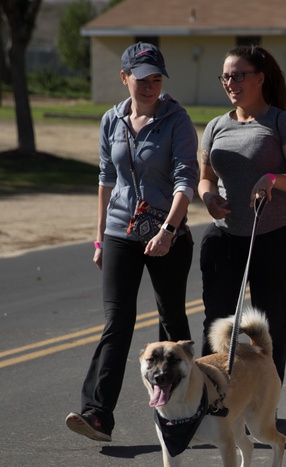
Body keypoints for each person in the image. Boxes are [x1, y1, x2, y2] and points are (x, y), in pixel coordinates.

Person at [65, 42, 199, 442]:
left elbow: (185, 179)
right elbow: (107, 179)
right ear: (125, 78)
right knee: (117, 322)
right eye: (141, 79)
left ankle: (186, 410)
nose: (149, 86)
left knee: (171, 323)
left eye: (156, 78)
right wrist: (100, 237)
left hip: (167, 231)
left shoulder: (177, 120)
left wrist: (169, 231)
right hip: (122, 230)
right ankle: (98, 414)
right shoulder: (112, 120)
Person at [198, 45, 286, 383]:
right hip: (225, 235)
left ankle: (264, 403)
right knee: (217, 324)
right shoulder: (216, 126)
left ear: (259, 79)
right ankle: (216, 395)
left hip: (274, 237)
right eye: (225, 77)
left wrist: (274, 178)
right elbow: (206, 176)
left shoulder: (282, 123)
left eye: (238, 75)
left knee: (270, 326)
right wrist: (208, 196)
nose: (230, 82)